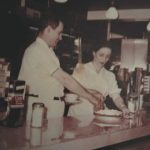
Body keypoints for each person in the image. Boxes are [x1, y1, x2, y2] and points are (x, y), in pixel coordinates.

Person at [18, 12, 103, 121]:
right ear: (48, 30)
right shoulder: (38, 50)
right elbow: (64, 79)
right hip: (41, 109)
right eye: (59, 33)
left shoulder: (48, 51)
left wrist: (89, 91)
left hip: (49, 108)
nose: (61, 37)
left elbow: (58, 82)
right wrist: (92, 98)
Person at [68, 41, 129, 118]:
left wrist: (123, 107)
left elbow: (116, 96)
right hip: (78, 114)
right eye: (101, 55)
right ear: (94, 53)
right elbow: (71, 89)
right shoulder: (80, 68)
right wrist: (93, 92)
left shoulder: (110, 75)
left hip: (99, 115)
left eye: (107, 56)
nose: (104, 59)